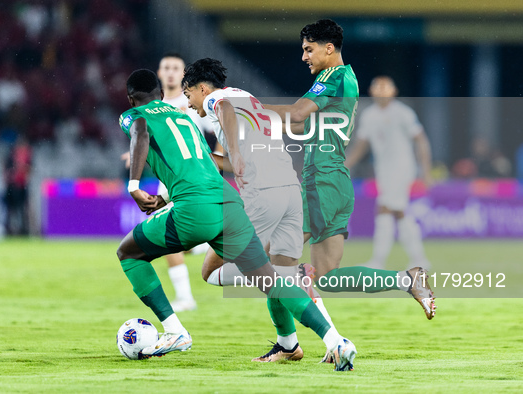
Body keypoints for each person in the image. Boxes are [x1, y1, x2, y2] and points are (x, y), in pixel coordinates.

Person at [116, 69, 356, 370]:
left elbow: (139, 128)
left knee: (128, 253)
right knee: (271, 279)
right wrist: (169, 199)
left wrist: (134, 185)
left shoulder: (134, 114)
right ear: (162, 94)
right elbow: (202, 166)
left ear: (130, 98)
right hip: (229, 203)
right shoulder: (185, 118)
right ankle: (335, 340)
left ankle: (175, 331)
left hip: (198, 208)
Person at [261, 19, 435, 338]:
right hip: (335, 182)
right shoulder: (346, 79)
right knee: (327, 276)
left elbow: (298, 115)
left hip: (321, 182)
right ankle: (407, 279)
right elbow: (301, 126)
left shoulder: (334, 77)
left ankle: (289, 345)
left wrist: (248, 108)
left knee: (273, 263)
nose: (304, 57)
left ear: (329, 48)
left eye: (308, 49)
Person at [182, 58, 337, 362]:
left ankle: (292, 282)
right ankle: (291, 345)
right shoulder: (248, 98)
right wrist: (214, 159)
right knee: (279, 273)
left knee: (210, 271)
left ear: (202, 88)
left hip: (262, 197)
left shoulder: (218, 99)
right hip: (290, 191)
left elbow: (223, 110)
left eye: (189, 96)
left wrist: (234, 154)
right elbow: (239, 155)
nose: (189, 105)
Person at [121, 54, 212, 312]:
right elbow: (146, 138)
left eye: (176, 68)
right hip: (172, 181)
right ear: (159, 75)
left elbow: (214, 131)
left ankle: (185, 297)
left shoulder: (193, 101)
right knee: (170, 235)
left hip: (189, 179)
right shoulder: (164, 105)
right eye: (167, 68)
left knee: (161, 238)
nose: (171, 72)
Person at [345, 76, 433, 270]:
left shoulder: (403, 113)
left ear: (394, 92)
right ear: (372, 91)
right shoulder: (369, 115)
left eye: (386, 89)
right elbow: (361, 144)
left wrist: (426, 170)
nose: (382, 93)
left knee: (385, 208)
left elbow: (421, 140)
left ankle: (379, 262)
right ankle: (419, 260)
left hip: (402, 167)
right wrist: (345, 165)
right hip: (384, 170)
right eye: (378, 88)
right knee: (399, 212)